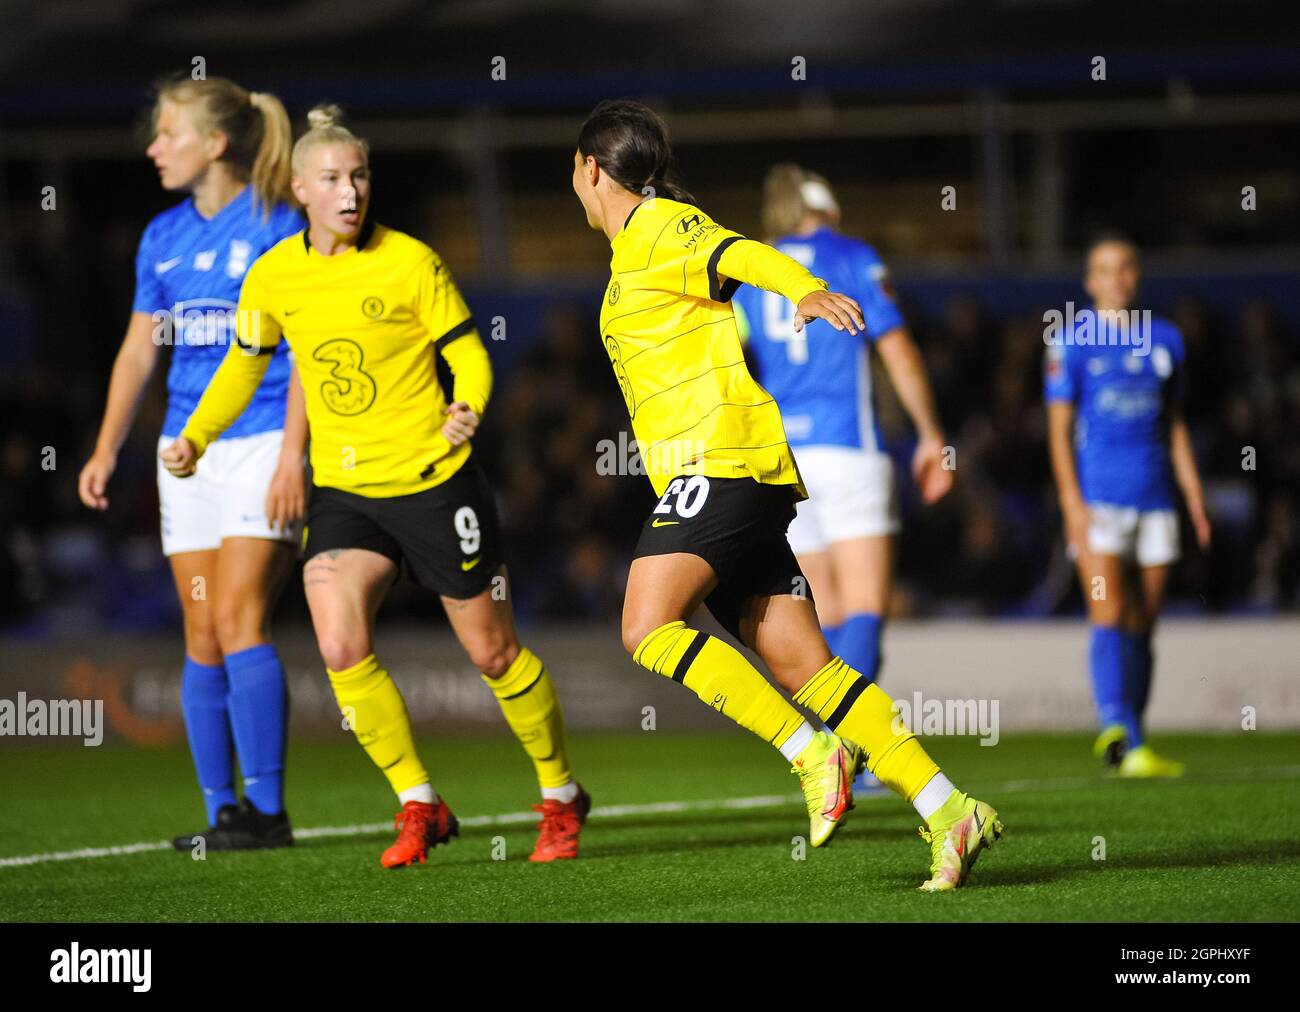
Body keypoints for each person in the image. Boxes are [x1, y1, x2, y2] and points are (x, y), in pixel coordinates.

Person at [572, 99, 1002, 890]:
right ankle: (951, 809)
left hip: (723, 463)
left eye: (575, 168)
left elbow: (742, 250)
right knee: (811, 670)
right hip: (716, 475)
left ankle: (812, 752)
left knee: (645, 625)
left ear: (589, 169)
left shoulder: (662, 225)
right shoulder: (634, 252)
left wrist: (802, 288)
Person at [163, 105, 588, 867]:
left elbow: (470, 353)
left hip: (435, 482)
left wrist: (471, 406)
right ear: (300, 190)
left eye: (359, 175)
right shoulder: (274, 276)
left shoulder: (410, 261)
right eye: (333, 179)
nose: (351, 191)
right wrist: (196, 433)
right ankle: (419, 804)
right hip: (345, 493)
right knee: (337, 641)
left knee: (493, 654)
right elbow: (243, 368)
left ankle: (560, 796)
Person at [78, 77, 306, 851]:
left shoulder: (280, 222)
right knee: (203, 632)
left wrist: (294, 457)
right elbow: (141, 347)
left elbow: (309, 345)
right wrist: (107, 447)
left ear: (215, 144)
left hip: (264, 437)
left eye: (166, 132)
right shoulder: (162, 236)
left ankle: (269, 812)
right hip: (188, 450)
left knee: (241, 616)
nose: (152, 148)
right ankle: (222, 815)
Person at [733, 166, 952, 793]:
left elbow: (732, 361)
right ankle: (854, 746)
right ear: (826, 207)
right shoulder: (852, 257)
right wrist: (932, 433)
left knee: (823, 612)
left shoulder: (756, 271)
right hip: (849, 449)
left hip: (785, 462)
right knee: (865, 607)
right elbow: (898, 349)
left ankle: (835, 751)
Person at [1045, 233, 1211, 777]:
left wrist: (1192, 494)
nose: (1116, 278)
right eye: (1105, 269)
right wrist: (1070, 501)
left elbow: (1175, 422)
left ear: (1135, 276)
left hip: (1156, 498)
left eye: (1125, 268)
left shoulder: (1165, 339)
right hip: (1100, 499)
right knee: (1110, 610)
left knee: (1143, 621)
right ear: (1090, 282)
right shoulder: (1072, 342)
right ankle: (1117, 726)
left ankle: (1134, 738)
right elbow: (1059, 428)